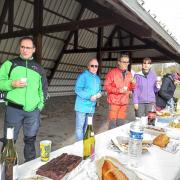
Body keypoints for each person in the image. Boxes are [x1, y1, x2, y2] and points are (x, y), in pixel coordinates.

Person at [0, 36, 48, 162]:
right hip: (14, 109)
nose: (25, 50)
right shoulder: (10, 64)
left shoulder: (39, 69)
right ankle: (7, 170)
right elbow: (0, 82)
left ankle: (29, 167)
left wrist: (39, 106)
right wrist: (12, 84)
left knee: (30, 140)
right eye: (22, 47)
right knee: (9, 140)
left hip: (32, 111)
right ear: (19, 48)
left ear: (33, 49)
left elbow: (43, 90)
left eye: (28, 47)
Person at [104, 54, 135, 129]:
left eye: (127, 62)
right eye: (124, 62)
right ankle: (111, 140)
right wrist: (118, 90)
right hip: (114, 102)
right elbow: (106, 86)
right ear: (119, 62)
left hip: (124, 103)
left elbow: (130, 88)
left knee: (121, 125)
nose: (126, 64)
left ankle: (118, 140)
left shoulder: (129, 74)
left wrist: (133, 83)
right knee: (112, 125)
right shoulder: (112, 73)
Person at [74, 58, 101, 141]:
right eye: (92, 66)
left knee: (88, 127)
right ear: (88, 66)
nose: (94, 68)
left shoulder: (97, 78)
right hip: (82, 106)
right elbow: (77, 89)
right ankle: (79, 146)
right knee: (79, 128)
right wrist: (89, 96)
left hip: (91, 107)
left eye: (96, 66)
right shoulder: (83, 76)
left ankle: (86, 144)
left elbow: (99, 89)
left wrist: (99, 93)